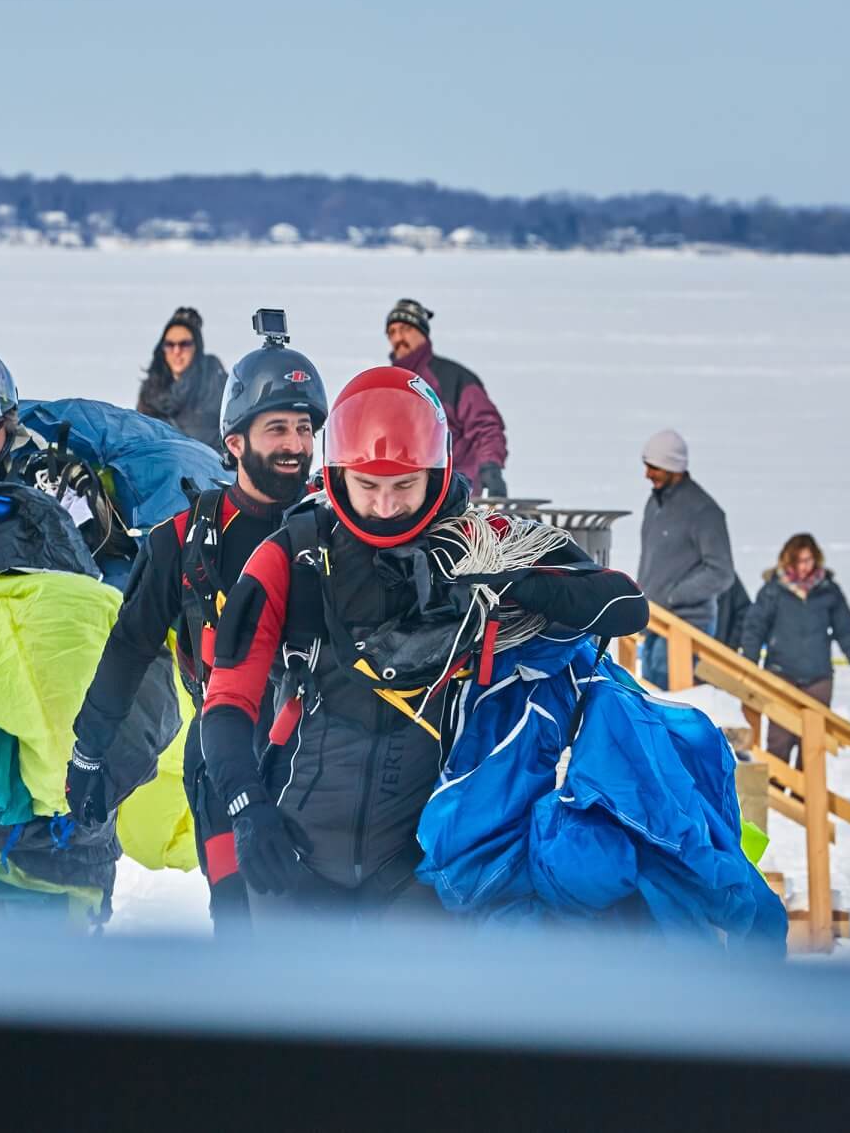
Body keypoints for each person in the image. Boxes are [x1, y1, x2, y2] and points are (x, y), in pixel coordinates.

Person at [198, 367, 649, 927]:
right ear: (336, 475)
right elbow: (226, 703)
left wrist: (515, 583)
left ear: (438, 475)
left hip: (421, 867)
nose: (385, 508)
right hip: (296, 850)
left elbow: (626, 605)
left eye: (404, 487)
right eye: (367, 487)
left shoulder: (482, 541)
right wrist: (248, 810)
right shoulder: (290, 557)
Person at [66, 326, 329, 932]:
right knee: (241, 924)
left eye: (304, 429)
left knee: (318, 928)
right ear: (234, 442)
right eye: (277, 429)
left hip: (320, 759)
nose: (295, 445)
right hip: (219, 765)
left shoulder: (337, 533)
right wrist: (89, 751)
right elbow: (129, 650)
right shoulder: (182, 543)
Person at [738, 533, 850, 767]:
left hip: (818, 678)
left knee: (811, 746)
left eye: (808, 560)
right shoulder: (773, 591)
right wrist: (749, 668)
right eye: (798, 561)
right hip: (781, 674)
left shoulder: (829, 591)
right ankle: (775, 794)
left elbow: (847, 632)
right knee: (779, 740)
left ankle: (805, 800)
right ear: (787, 561)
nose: (804, 567)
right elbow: (753, 629)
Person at [635, 428, 734, 687]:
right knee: (650, 702)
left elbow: (721, 572)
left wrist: (674, 596)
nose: (647, 474)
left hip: (686, 627)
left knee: (675, 706)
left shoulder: (705, 511)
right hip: (655, 622)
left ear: (673, 467)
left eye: (654, 467)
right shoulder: (654, 504)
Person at [384, 297, 508, 497]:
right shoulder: (386, 387)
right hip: (402, 493)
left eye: (406, 329)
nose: (398, 338)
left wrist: (490, 468)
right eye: (392, 332)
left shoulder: (454, 378)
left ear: (423, 333)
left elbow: (486, 426)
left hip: (457, 492)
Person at [135, 307, 227, 445]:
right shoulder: (150, 393)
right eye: (170, 345)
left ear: (196, 347)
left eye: (184, 344)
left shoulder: (215, 383)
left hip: (209, 464)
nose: (177, 351)